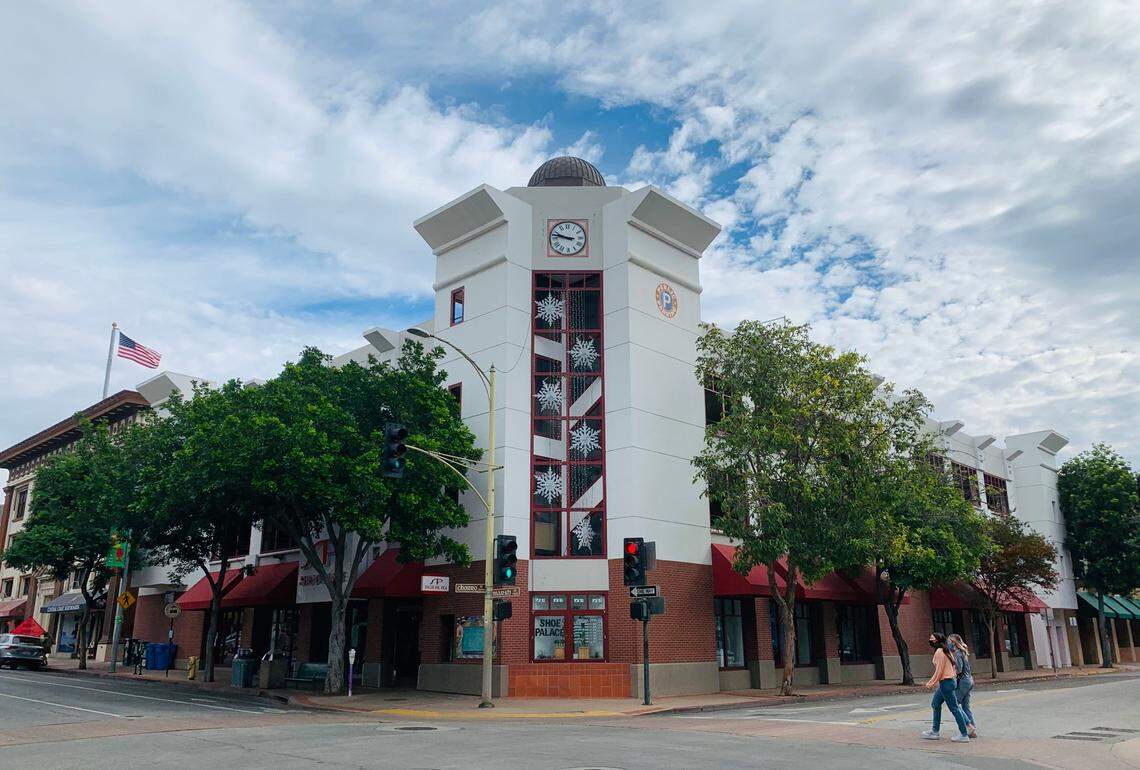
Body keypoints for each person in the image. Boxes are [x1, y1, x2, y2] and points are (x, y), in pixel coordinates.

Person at [922, 631, 971, 742]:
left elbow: (939, 671)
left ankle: (964, 734)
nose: (930, 639)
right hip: (948, 681)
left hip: (946, 682)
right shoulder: (945, 651)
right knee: (936, 704)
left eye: (932, 638)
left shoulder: (940, 652)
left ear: (937, 640)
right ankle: (935, 731)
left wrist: (930, 683)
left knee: (954, 708)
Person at [948, 633, 977, 738]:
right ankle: (972, 730)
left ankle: (968, 727)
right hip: (969, 680)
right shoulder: (963, 652)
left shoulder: (957, 653)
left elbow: (959, 669)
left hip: (964, 681)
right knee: (965, 706)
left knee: (954, 704)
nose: (948, 643)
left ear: (954, 643)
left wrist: (951, 672)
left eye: (949, 641)